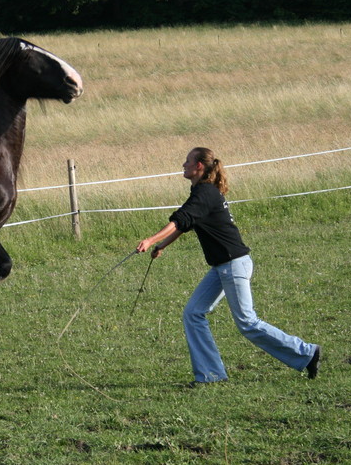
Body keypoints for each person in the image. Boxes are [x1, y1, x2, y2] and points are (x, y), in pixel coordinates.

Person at [136, 147, 321, 385]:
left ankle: (306, 352)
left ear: (199, 166)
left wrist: (151, 239)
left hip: (233, 264)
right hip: (222, 266)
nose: (183, 165)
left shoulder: (204, 193)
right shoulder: (202, 192)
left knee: (247, 323)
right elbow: (186, 223)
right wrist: (162, 245)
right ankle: (210, 375)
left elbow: (180, 218)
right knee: (193, 313)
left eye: (188, 161)